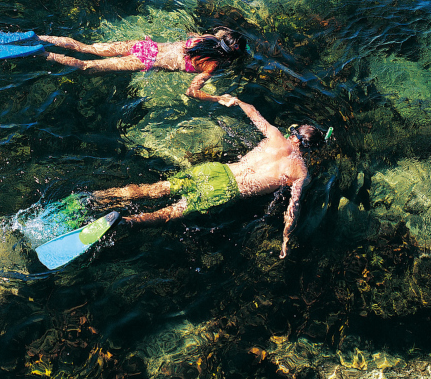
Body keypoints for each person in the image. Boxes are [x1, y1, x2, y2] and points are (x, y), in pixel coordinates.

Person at [89, 99, 325, 258]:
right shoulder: (300, 172)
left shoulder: (275, 135)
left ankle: (98, 197)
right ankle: (126, 222)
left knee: (157, 188)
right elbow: (293, 206)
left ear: (293, 134)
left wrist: (236, 101)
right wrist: (285, 238)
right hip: (225, 190)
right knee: (172, 212)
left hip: (215, 170)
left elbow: (253, 111)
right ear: (309, 149)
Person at [36, 27, 248, 104]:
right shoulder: (211, 65)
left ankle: (39, 37)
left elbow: (191, 35)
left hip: (146, 46)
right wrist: (217, 98)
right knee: (84, 65)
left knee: (86, 47)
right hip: (146, 61)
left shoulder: (206, 38)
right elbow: (191, 91)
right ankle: (44, 54)